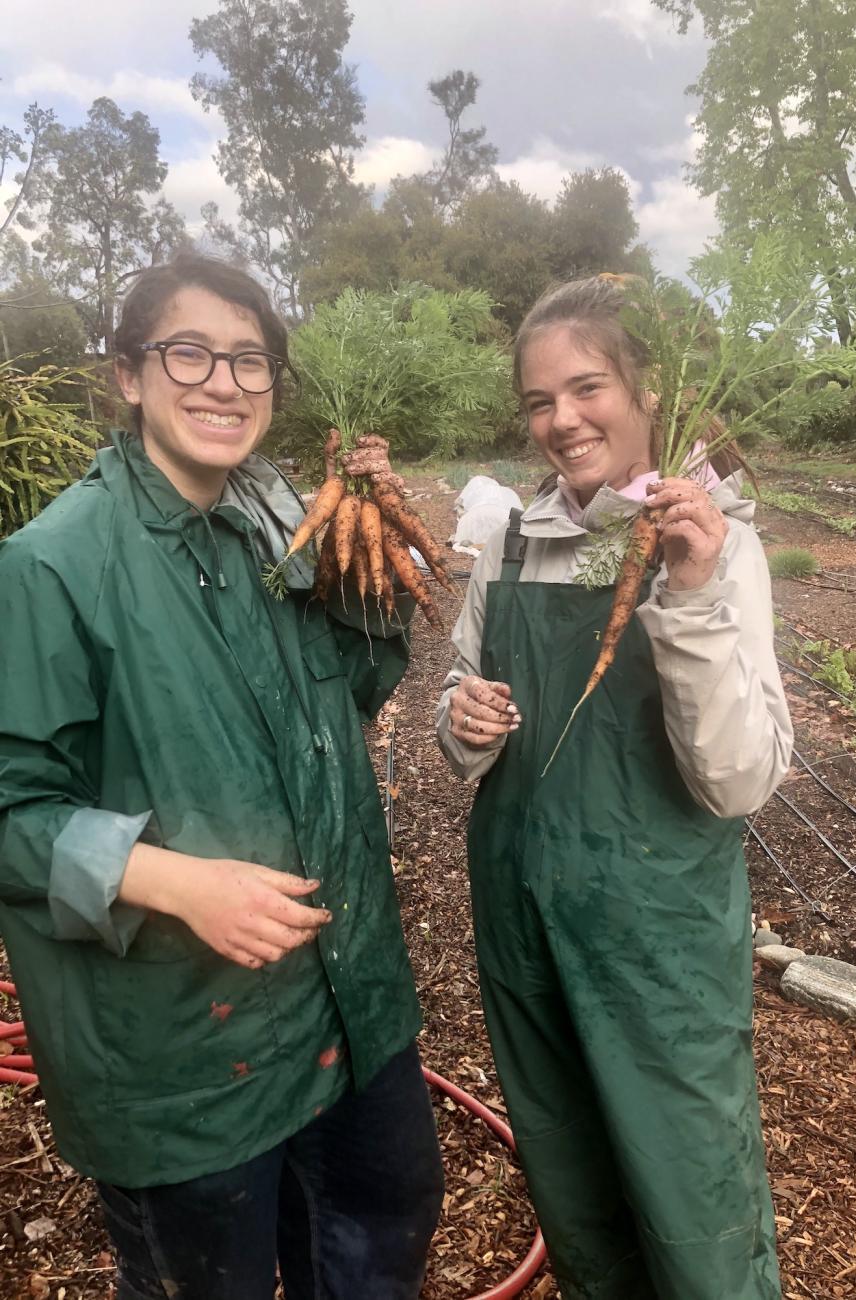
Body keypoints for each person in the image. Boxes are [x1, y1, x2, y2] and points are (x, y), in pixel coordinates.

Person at [0, 253, 443, 1300]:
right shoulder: (54, 564)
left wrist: (366, 552)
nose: (225, 382)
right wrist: (177, 881)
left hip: (345, 990)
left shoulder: (279, 521)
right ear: (127, 374)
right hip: (185, 1044)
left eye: (251, 360)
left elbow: (358, 687)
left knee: (382, 1224)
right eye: (189, 351)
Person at [436, 275, 792, 1300]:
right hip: (523, 923)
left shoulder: (718, 547)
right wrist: (462, 722)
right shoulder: (507, 541)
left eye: (586, 388)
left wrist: (686, 596)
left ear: (645, 391)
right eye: (539, 401)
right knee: (572, 1182)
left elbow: (738, 779)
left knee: (693, 1207)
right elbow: (462, 690)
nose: (562, 419)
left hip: (657, 940)